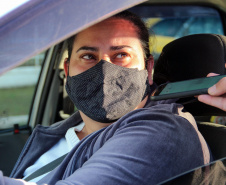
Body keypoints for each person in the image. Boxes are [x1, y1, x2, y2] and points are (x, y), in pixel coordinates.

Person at [0, 10, 226, 185]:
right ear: (67, 71)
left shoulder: (165, 130)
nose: (104, 70)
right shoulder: (59, 130)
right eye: (88, 55)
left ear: (148, 70)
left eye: (121, 55)